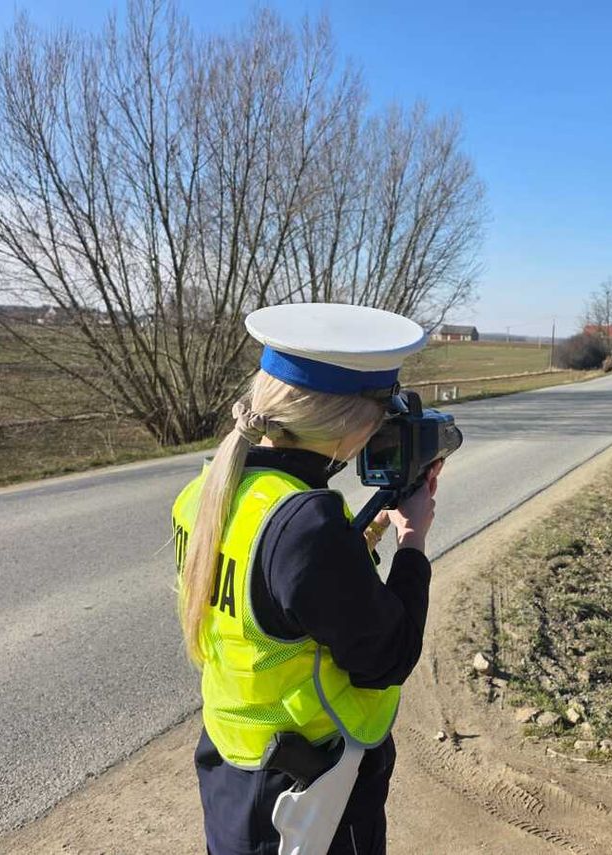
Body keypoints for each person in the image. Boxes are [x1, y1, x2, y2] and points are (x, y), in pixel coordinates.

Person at [172, 303, 440, 855]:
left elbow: (277, 601)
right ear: (353, 421)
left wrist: (358, 541)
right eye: (383, 414)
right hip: (311, 786)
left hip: (233, 767)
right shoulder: (308, 523)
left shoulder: (207, 493)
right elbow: (387, 657)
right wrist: (413, 540)